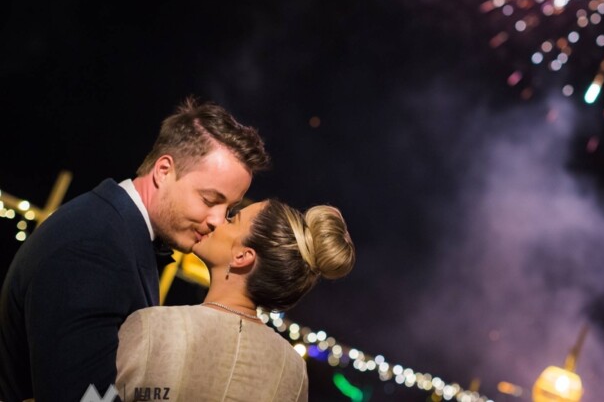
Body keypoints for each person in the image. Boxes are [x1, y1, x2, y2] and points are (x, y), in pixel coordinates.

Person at [0, 97, 270, 402]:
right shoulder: (95, 248)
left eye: (229, 208)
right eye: (210, 200)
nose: (217, 221)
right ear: (164, 170)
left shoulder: (119, 234)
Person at [115, 199, 356, 401]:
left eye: (232, 219)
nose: (217, 221)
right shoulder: (292, 371)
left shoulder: (155, 327)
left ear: (242, 256)